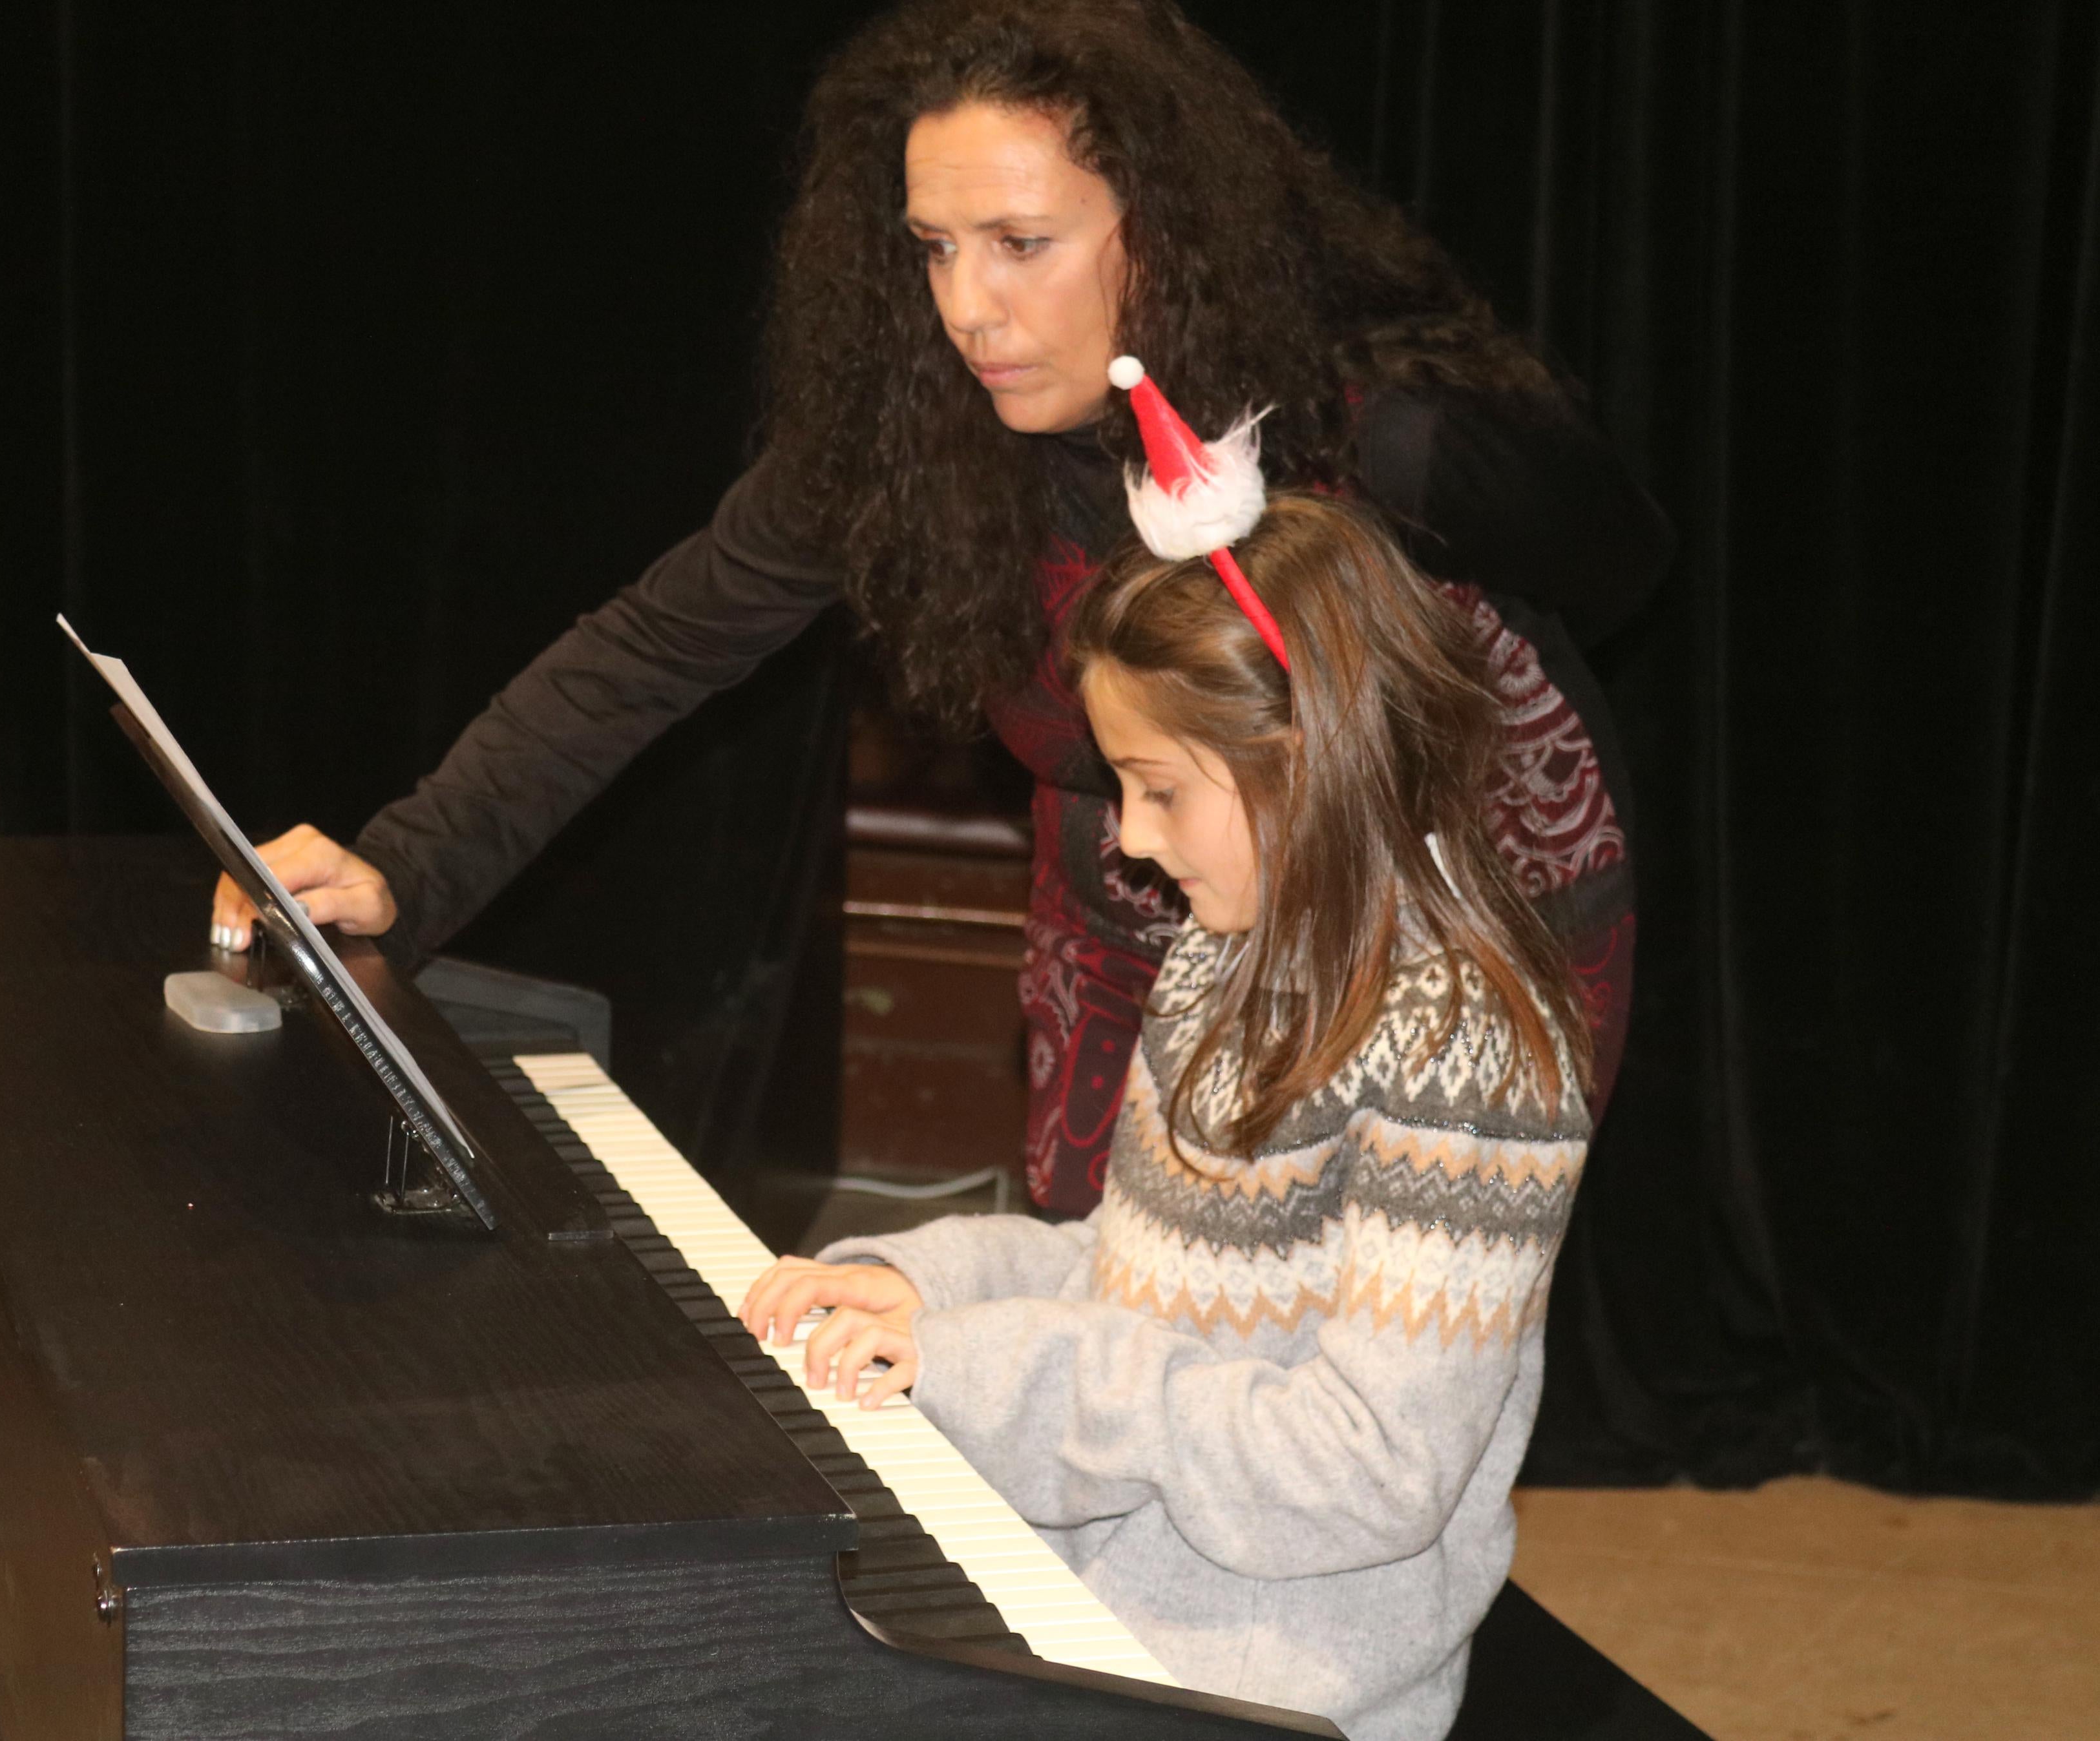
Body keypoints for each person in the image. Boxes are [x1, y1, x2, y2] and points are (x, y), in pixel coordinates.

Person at [210, 0, 1664, 1213]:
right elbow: (650, 651)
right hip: (1137, 898)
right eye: (932, 248)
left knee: (1356, 1351)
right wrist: (405, 865)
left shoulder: (1385, 430)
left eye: (1021, 244)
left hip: (1455, 905)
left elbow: (1616, 572)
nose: (967, 308)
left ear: (1158, 230)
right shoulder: (908, 446)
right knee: (1103, 1309)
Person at [738, 494, 1593, 1741]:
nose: (1131, 843)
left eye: (1158, 790)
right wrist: (926, 1289)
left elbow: (1371, 1474)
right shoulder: (1227, 956)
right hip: (1110, 1586)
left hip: (1281, 1677)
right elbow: (1142, 1273)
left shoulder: (1473, 1049)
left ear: (1309, 757)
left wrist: (1000, 1376)